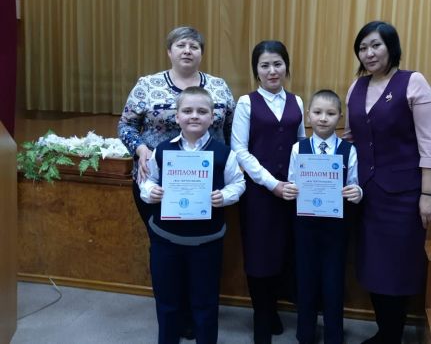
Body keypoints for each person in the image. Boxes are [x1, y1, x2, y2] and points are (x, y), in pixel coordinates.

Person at [118, 26, 235, 339]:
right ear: (169, 51)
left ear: (201, 53)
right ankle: (175, 315)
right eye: (181, 45)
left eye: (194, 46)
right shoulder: (148, 85)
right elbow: (126, 126)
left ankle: (197, 316)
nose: (187, 50)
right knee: (166, 248)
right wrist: (140, 149)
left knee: (200, 252)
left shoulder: (219, 87)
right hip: (156, 183)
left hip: (207, 187)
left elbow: (231, 130)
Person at [344, 21, 431, 344]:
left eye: (376, 45)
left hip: (402, 193)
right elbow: (353, 137)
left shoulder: (413, 82)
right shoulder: (356, 87)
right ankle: (384, 332)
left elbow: (429, 143)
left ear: (391, 47)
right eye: (362, 48)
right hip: (365, 193)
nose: (369, 53)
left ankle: (391, 335)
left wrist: (427, 193)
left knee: (396, 268)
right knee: (373, 265)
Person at [139, 86, 245, 344]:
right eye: (187, 111)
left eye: (201, 111)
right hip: (166, 240)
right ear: (177, 117)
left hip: (206, 242)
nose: (194, 116)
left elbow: (238, 183)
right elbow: (148, 180)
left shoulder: (224, 153)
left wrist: (225, 196)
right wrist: (151, 192)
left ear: (212, 117)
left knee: (205, 303)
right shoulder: (162, 150)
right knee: (167, 302)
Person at [231, 40, 306, 344]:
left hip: (290, 192)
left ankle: (273, 309)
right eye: (264, 65)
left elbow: (301, 145)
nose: (272, 70)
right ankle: (261, 315)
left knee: (283, 252)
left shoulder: (298, 102)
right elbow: (240, 150)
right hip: (259, 193)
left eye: (277, 64)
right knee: (259, 254)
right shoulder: (246, 103)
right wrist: (271, 183)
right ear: (256, 70)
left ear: (286, 67)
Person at [282, 89, 362, 344]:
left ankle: (333, 335)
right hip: (305, 225)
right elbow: (292, 181)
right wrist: (290, 190)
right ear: (308, 115)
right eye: (317, 112)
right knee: (306, 279)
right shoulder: (299, 148)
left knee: (333, 281)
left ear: (340, 117)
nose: (323, 118)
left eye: (330, 113)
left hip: (336, 227)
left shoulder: (349, 150)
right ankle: (305, 333)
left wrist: (357, 192)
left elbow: (355, 183)